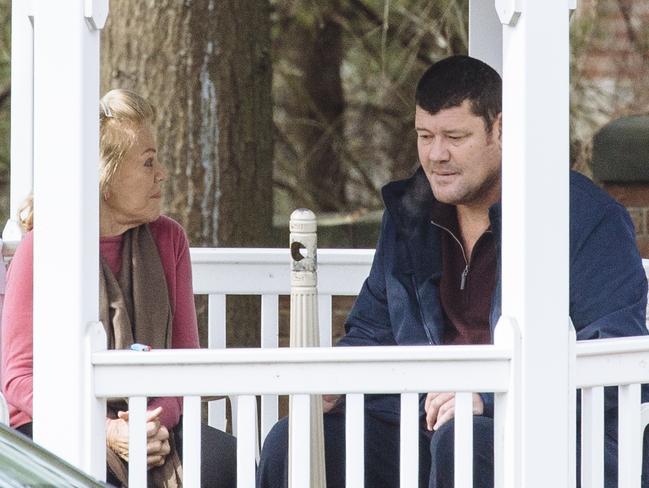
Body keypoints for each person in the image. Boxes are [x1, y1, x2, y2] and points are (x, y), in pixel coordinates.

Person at [257, 55, 649, 488]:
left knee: (462, 440)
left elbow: (612, 358)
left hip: (551, 437)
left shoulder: (583, 219)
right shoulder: (410, 214)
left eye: (455, 136)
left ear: (501, 130)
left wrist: (489, 398)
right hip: (419, 426)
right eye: (425, 136)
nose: (436, 155)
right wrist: (336, 382)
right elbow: (372, 334)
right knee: (295, 441)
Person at [1, 89, 236, 487]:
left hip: (154, 423)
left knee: (223, 462)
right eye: (148, 162)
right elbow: (18, 379)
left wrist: (151, 424)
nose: (161, 173)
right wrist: (106, 430)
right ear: (104, 179)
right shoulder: (43, 248)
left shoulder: (169, 240)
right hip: (58, 424)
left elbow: (184, 361)